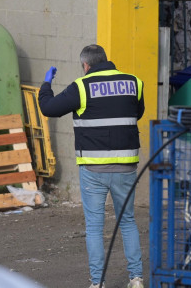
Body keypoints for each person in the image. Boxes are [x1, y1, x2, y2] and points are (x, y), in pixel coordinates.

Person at [38, 44, 145, 288]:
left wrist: (46, 85)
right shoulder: (134, 82)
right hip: (126, 166)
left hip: (94, 169)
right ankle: (136, 278)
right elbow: (136, 113)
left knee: (95, 227)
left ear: (86, 65)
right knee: (127, 221)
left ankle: (98, 283)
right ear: (106, 60)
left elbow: (49, 108)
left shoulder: (81, 86)